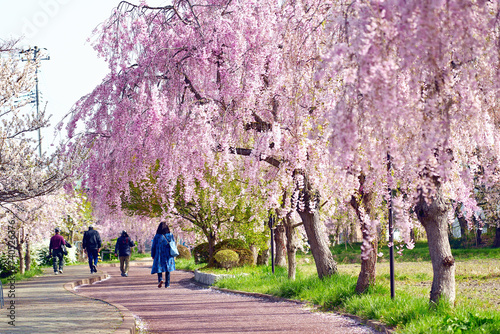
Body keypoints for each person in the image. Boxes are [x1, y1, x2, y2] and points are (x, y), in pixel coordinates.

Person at [151, 222, 176, 288]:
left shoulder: (157, 236)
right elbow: (173, 244)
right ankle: (167, 284)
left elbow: (153, 246)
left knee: (159, 267)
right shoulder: (170, 235)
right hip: (168, 254)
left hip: (159, 254)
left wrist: (153, 255)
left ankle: (160, 279)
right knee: (168, 268)